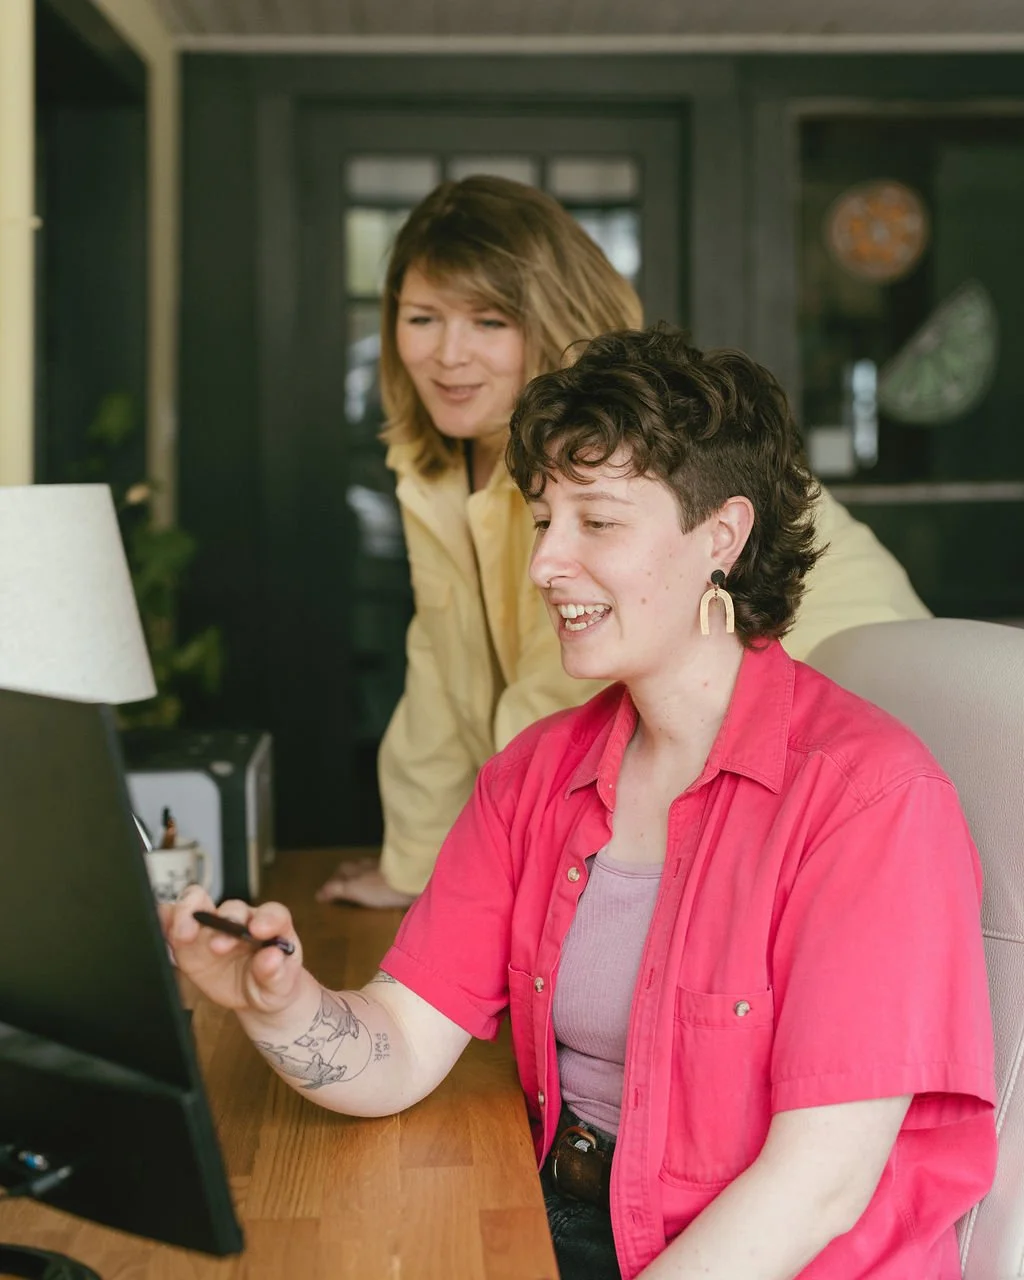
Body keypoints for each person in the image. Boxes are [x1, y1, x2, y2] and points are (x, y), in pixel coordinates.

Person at [165, 327, 995, 1280]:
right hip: (564, 1222)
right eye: (543, 518)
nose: (547, 564)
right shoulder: (536, 773)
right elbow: (398, 1048)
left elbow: (816, 1188)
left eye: (596, 523)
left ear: (722, 536)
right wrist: (276, 1005)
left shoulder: (870, 801)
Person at [314, 175, 930, 909]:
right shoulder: (440, 461)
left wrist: (478, 891)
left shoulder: (605, 451)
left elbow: (567, 697)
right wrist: (415, 867)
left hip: (839, 723)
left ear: (549, 316)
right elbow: (443, 671)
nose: (449, 355)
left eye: (488, 321)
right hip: (703, 746)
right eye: (422, 318)